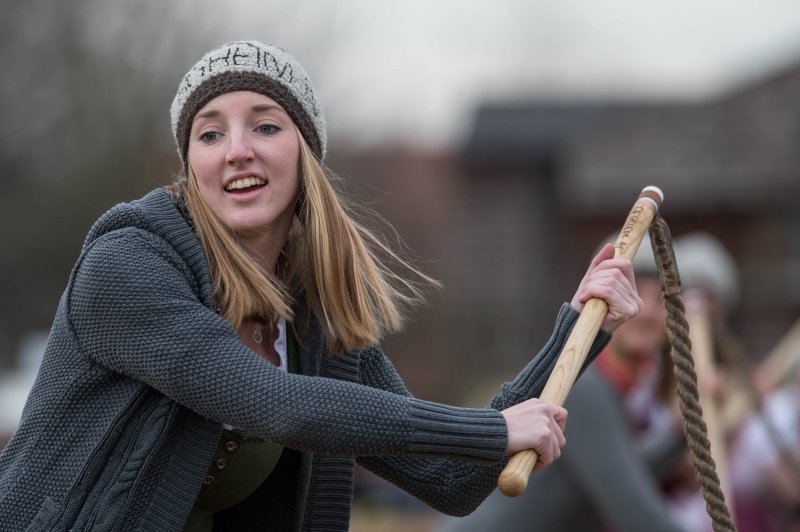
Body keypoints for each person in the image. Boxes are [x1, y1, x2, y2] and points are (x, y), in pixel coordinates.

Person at [0, 40, 642, 532]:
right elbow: (276, 403)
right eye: (210, 132)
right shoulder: (129, 266)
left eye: (266, 125)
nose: (236, 150)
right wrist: (492, 431)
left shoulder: (311, 316)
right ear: (190, 163)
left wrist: (583, 329)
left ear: (305, 152)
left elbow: (450, 479)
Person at [439, 236, 687, 532]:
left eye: (659, 299)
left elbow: (621, 474)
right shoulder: (583, 389)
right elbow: (635, 511)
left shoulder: (618, 392)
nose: (646, 312)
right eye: (634, 292)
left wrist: (681, 431)